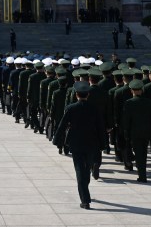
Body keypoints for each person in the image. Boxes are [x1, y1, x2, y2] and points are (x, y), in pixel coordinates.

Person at [53, 81, 106, 209]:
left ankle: (85, 199)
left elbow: (62, 125)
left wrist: (56, 139)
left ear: (76, 94)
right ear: (88, 95)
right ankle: (85, 196)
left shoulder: (71, 108)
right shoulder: (94, 108)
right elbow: (100, 127)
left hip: (76, 143)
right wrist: (103, 144)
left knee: (80, 170)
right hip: (91, 143)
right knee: (86, 168)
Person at [123, 79, 151, 182]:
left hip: (134, 133)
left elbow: (126, 120)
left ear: (131, 91)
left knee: (138, 153)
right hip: (146, 132)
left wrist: (126, 133)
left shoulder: (128, 103)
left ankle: (142, 175)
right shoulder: (149, 102)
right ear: (141, 90)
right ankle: (142, 171)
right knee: (143, 153)